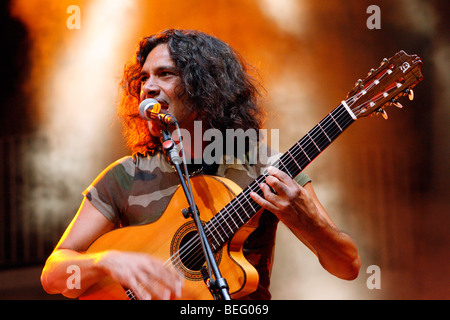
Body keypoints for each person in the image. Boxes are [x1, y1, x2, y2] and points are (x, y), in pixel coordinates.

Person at [40, 29, 360, 300]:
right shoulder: (125, 175)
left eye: (165, 73)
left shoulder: (264, 165)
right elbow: (54, 274)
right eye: (143, 78)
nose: (148, 87)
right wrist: (106, 262)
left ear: (204, 84)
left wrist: (308, 222)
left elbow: (347, 267)